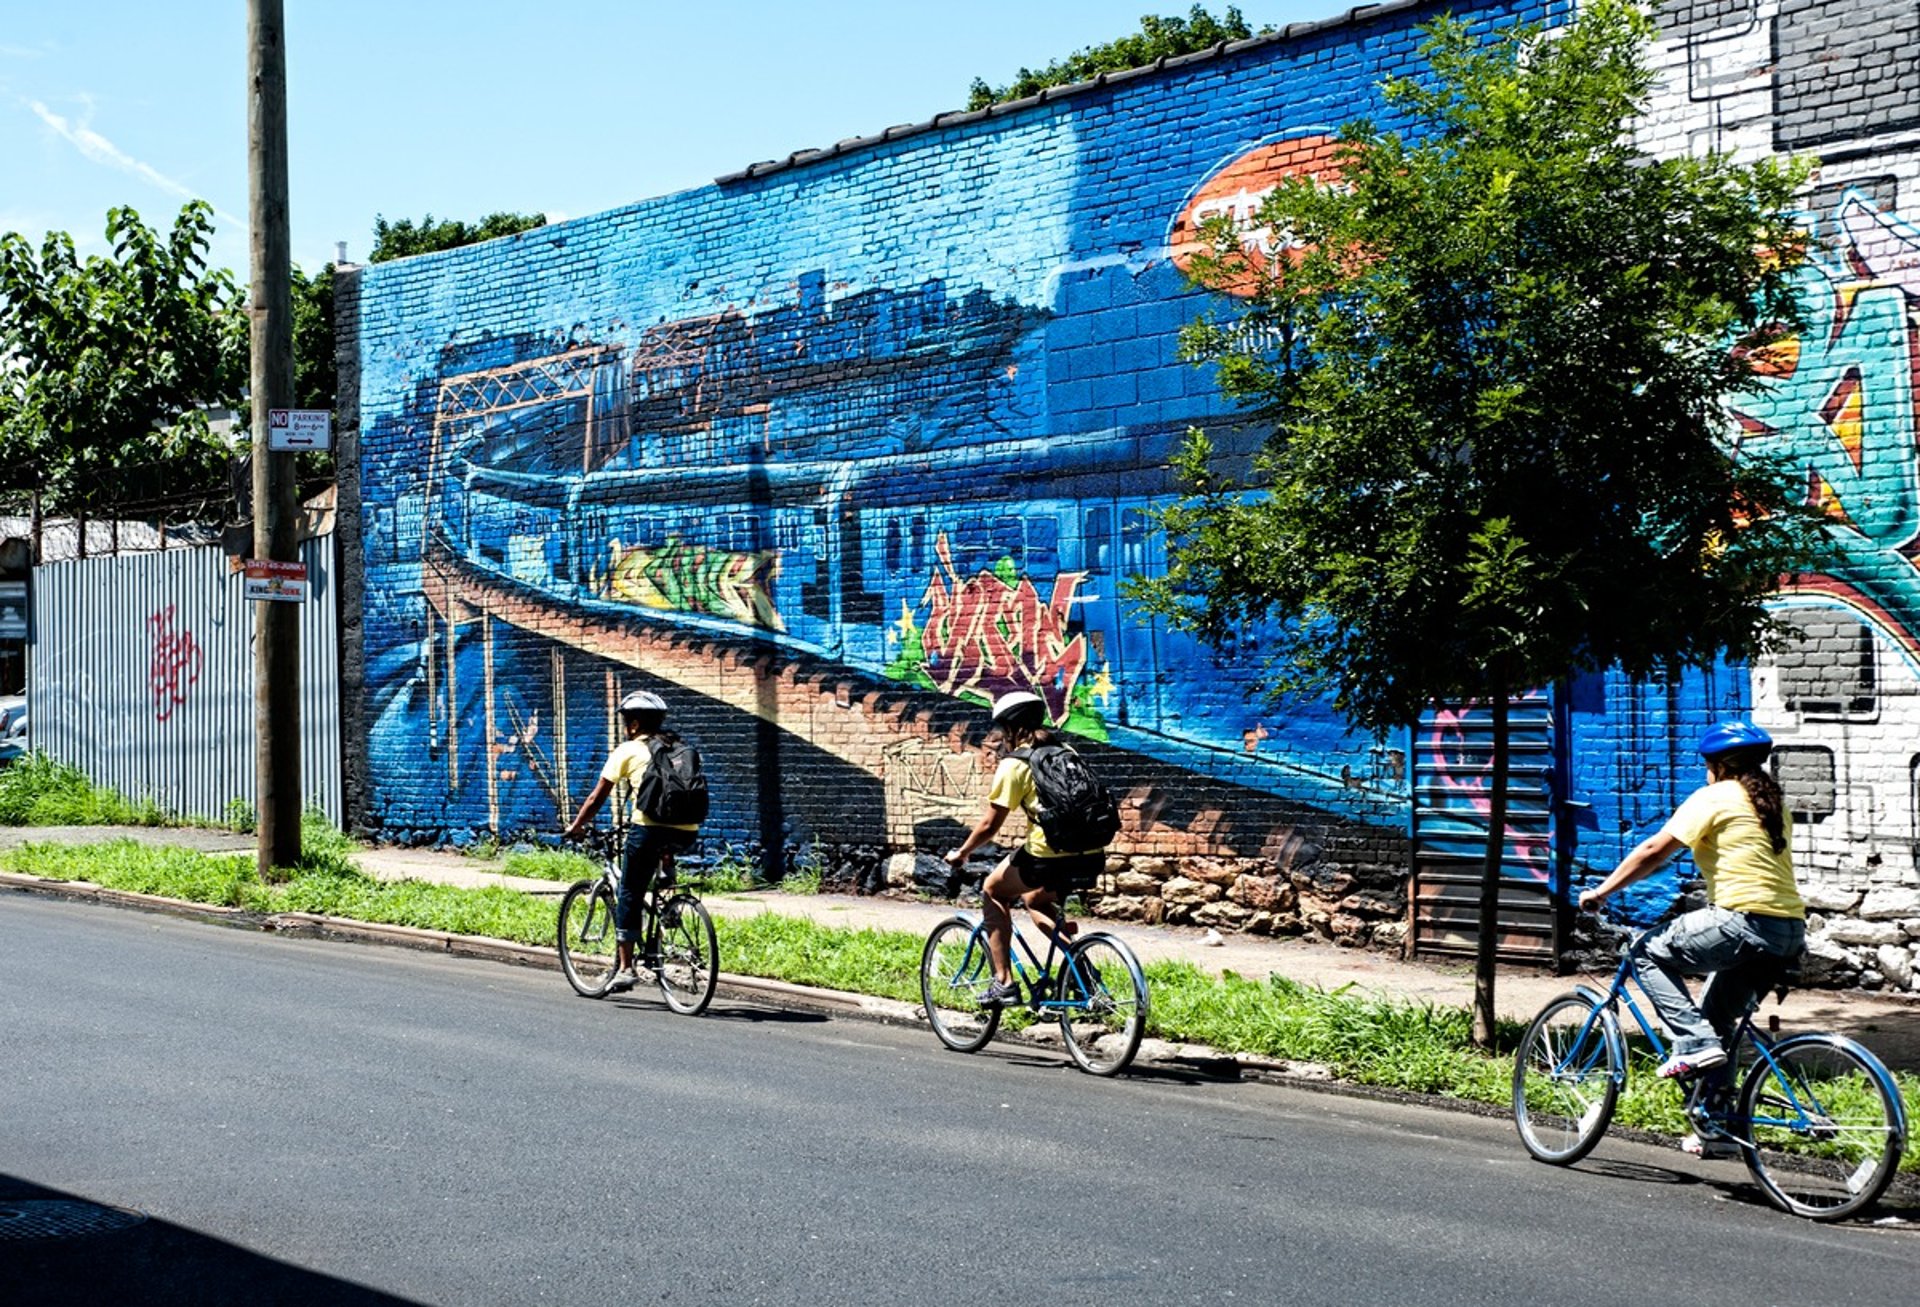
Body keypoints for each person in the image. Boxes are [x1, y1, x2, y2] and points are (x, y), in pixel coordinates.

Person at [1578, 720, 1805, 1154]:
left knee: (1646, 951)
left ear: (1717, 765)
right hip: (1788, 930)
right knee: (1717, 1019)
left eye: (1706, 764)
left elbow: (1653, 852)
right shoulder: (1771, 804)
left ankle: (1693, 1045)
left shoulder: (1715, 797)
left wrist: (1601, 892)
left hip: (1742, 920)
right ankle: (1716, 1126)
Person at [943, 690, 1107, 1006]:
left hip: (1048, 856)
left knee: (994, 890)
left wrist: (962, 852)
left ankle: (1003, 983)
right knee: (1036, 900)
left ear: (1008, 727)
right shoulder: (1066, 751)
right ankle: (1082, 972)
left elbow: (990, 826)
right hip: (1090, 855)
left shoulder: (1015, 764)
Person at [563, 689, 700, 993]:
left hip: (648, 830)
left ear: (635, 724)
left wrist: (576, 826)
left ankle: (626, 969)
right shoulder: (680, 748)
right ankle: (669, 896)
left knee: (630, 891)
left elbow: (597, 796)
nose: (626, 727)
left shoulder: (628, 750)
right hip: (688, 830)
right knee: (665, 847)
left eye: (627, 722)